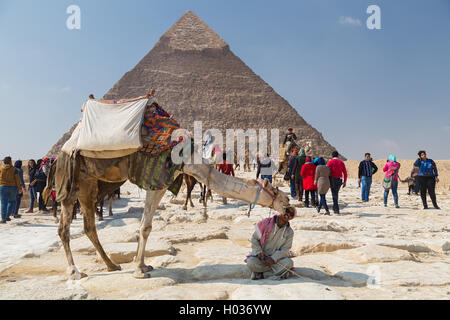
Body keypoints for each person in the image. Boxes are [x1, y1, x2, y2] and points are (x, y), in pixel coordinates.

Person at [245, 207, 296, 280]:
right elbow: (254, 239)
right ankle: (274, 273)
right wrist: (258, 251)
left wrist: (273, 259)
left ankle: (261, 274)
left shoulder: (289, 232)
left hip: (276, 260)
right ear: (282, 211)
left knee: (289, 263)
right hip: (262, 257)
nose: (287, 214)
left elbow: (285, 249)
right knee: (251, 262)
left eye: (291, 214)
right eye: (287, 211)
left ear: (292, 218)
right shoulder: (266, 223)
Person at [0, 157, 23, 223]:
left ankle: (3, 219)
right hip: (13, 187)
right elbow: (17, 179)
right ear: (10, 162)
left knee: (3, 203)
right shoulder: (14, 169)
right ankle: (7, 216)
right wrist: (19, 188)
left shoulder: (1, 169)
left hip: (2, 187)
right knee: (12, 201)